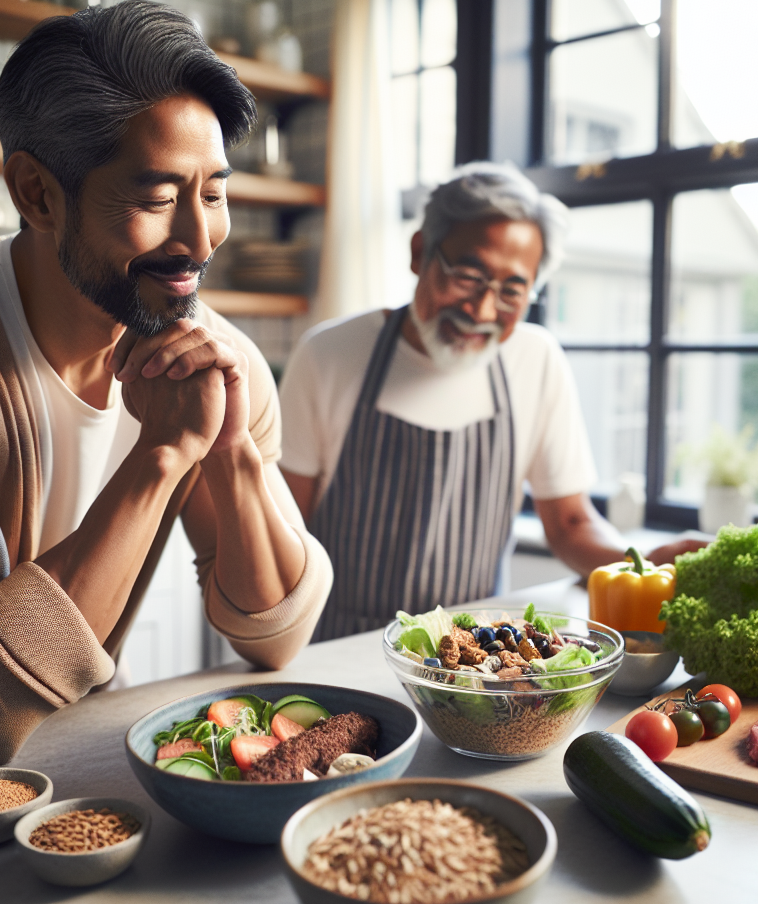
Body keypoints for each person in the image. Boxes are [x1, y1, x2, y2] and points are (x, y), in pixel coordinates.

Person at [0, 1, 332, 761]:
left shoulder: (218, 360)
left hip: (67, 772)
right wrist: (163, 455)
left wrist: (229, 452)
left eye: (214, 193)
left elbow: (276, 636)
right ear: (37, 193)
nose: (200, 240)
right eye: (157, 199)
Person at [278, 162, 701, 641]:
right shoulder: (329, 354)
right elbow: (285, 529)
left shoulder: (534, 359)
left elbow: (570, 523)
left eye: (511, 291)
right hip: (340, 645)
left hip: (477, 657)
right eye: (467, 276)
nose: (481, 310)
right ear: (419, 252)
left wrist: (644, 567)